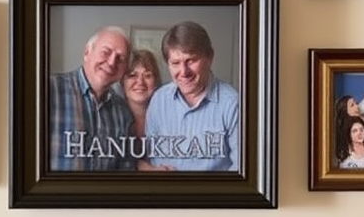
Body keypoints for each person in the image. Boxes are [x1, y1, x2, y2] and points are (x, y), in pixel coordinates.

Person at [144, 21, 239, 171]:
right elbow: (150, 157)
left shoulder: (233, 104)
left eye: (191, 60)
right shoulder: (158, 100)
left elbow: (242, 169)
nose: (184, 72)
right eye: (175, 63)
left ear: (209, 57)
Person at [48, 26, 134, 171]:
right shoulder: (49, 89)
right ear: (87, 52)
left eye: (121, 58)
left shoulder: (122, 112)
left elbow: (125, 169)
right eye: (106, 52)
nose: (112, 62)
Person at [122, 47, 161, 139]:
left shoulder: (165, 117)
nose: (140, 82)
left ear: (156, 81)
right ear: (122, 81)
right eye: (132, 75)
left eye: (147, 76)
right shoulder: (112, 116)